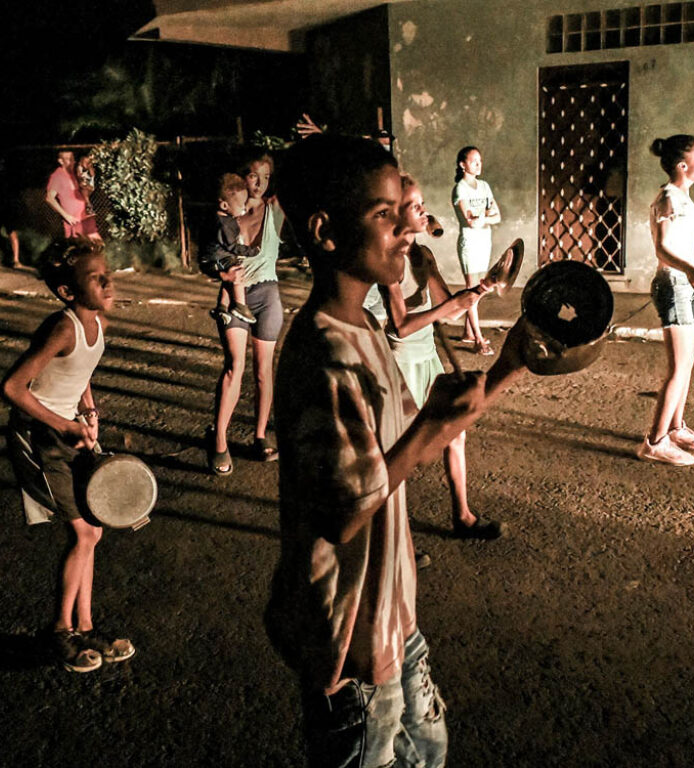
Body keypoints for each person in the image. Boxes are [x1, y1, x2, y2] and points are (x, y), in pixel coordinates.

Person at [264, 134, 527, 768]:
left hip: (394, 617)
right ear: (326, 232)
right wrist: (428, 424)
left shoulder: (368, 327)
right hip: (351, 643)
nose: (408, 228)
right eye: (385, 215)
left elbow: (424, 434)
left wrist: (519, 361)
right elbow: (346, 512)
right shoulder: (324, 356)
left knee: (429, 753)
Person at [0, 239, 135, 672]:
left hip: (72, 434)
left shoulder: (97, 324)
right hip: (39, 439)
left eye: (107, 271)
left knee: (93, 531)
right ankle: (60, 633)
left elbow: (81, 375)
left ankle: (85, 625)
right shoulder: (62, 327)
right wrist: (65, 425)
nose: (108, 280)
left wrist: (89, 412)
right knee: (82, 534)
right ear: (67, 291)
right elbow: (12, 388)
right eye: (96, 277)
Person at [370, 173, 503, 540]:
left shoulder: (422, 254)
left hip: (428, 357)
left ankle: (463, 515)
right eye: (416, 206)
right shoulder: (388, 260)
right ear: (397, 214)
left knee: (455, 434)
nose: (425, 212)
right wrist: (449, 307)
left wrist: (483, 288)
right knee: (401, 454)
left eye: (423, 204)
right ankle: (392, 538)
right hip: (401, 363)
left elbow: (453, 311)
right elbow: (400, 326)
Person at [637, 134, 694, 466]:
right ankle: (654, 441)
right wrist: (689, 269)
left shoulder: (682, 197)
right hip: (675, 283)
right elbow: (662, 248)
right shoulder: (669, 197)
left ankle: (676, 427)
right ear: (683, 166)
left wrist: (692, 272)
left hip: (687, 282)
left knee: (688, 363)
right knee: (678, 367)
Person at [209, 151, 284, 474]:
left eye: (265, 177)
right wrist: (220, 276)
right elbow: (209, 257)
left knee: (263, 371)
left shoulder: (275, 211)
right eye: (253, 175)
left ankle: (259, 435)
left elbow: (308, 176)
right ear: (242, 177)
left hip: (267, 294)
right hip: (233, 296)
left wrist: (318, 136)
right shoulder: (225, 215)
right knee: (234, 366)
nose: (259, 182)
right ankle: (219, 442)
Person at [452, 146, 501, 356]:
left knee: (480, 290)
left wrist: (483, 219)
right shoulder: (460, 189)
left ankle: (468, 331)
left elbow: (497, 216)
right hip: (470, 243)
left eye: (480, 161)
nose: (479, 165)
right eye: (474, 161)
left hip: (484, 242)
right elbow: (470, 222)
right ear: (463, 165)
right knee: (472, 290)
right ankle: (479, 341)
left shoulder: (484, 186)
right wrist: (483, 219)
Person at [199, 173, 257, 326]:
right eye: (241, 205)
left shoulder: (220, 218)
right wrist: (251, 251)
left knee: (229, 278)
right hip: (215, 260)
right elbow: (232, 246)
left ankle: (221, 307)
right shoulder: (224, 225)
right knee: (236, 270)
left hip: (212, 258)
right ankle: (240, 305)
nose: (244, 209)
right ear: (224, 206)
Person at [45, 150, 99, 239]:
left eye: (72, 159)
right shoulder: (57, 176)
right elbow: (49, 198)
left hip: (85, 219)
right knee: (81, 250)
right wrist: (67, 216)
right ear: (61, 161)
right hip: (75, 222)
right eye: (68, 159)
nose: (72, 162)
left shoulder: (72, 174)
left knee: (98, 245)